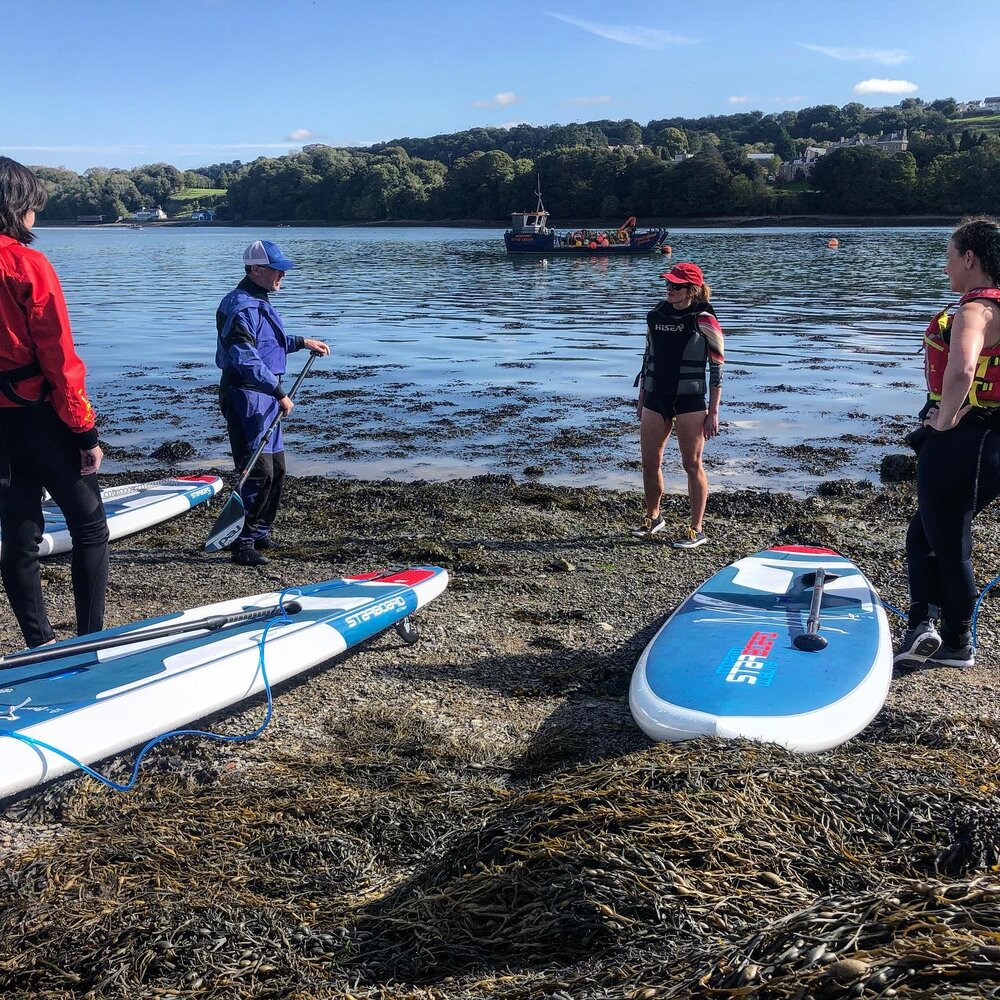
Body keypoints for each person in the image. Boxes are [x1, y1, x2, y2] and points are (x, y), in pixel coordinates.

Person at [0, 156, 109, 649]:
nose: (35, 218)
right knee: (89, 525)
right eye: (33, 208)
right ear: (16, 206)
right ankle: (88, 642)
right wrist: (85, 432)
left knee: (18, 536)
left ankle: (39, 645)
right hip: (36, 416)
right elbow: (58, 355)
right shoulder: (26, 263)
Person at [895, 216, 1000, 671]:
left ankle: (956, 640)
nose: (946, 270)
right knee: (927, 530)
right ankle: (926, 624)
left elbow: (959, 371)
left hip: (966, 440)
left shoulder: (975, 310)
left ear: (969, 258)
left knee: (947, 537)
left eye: (950, 258)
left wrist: (944, 421)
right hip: (990, 442)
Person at [216, 239, 329, 566]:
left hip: (265, 395)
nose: (283, 274)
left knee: (277, 469)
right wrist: (278, 392)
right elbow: (245, 357)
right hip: (246, 396)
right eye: (276, 269)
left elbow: (268, 342)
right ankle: (242, 543)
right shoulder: (238, 306)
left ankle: (261, 530)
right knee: (257, 471)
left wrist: (301, 341)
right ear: (255, 269)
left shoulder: (258, 299)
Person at [632, 261, 725, 548]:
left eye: (677, 285)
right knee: (649, 462)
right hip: (656, 396)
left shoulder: (704, 317)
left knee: (692, 463)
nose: (670, 289)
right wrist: (642, 399)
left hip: (691, 400)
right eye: (668, 284)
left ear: (692, 290)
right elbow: (648, 358)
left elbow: (717, 366)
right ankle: (654, 517)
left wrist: (713, 412)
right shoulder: (656, 315)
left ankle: (697, 529)